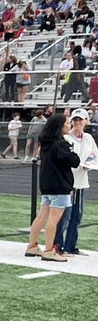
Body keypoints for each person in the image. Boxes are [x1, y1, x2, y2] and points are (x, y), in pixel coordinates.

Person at [26, 114, 81, 263]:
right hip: (59, 185)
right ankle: (49, 250)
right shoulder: (60, 144)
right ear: (59, 126)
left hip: (46, 184)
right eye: (67, 123)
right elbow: (74, 161)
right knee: (54, 218)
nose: (70, 125)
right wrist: (72, 150)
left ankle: (32, 245)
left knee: (42, 215)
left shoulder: (46, 143)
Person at [54, 107, 97, 256]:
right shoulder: (66, 138)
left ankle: (71, 246)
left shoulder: (88, 138)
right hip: (67, 182)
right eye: (75, 120)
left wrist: (90, 165)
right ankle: (58, 246)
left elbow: (94, 155)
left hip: (81, 181)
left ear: (86, 121)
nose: (77, 122)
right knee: (64, 215)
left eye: (80, 119)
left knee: (77, 216)